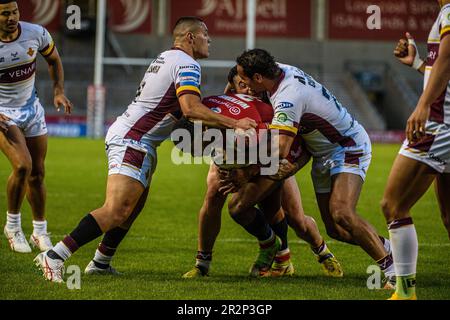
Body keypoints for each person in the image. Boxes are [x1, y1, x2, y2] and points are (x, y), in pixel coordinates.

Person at [34, 17, 256, 283]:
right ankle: (55, 256)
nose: (210, 41)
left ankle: (101, 262)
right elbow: (190, 109)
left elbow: (178, 110)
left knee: (134, 206)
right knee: (116, 209)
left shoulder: (165, 58)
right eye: (206, 35)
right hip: (134, 140)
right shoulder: (187, 63)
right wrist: (235, 123)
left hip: (140, 140)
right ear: (190, 38)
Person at [235, 49, 396, 287]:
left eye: (244, 79)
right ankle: (393, 248)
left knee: (342, 212)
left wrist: (247, 167)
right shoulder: (278, 70)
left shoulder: (288, 97)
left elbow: (280, 148)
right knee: (334, 229)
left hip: (347, 145)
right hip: (322, 153)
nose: (243, 85)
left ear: (258, 77)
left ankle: (394, 270)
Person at [183, 67, 343, 278]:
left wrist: (258, 170)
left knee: (293, 217)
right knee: (214, 194)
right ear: (232, 87)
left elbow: (297, 145)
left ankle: (321, 252)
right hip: (237, 158)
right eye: (242, 85)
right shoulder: (228, 103)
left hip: (274, 159)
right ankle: (203, 263)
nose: (249, 90)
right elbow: (211, 127)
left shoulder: (276, 100)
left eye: (250, 84)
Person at [381, 0, 450, 300]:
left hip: (438, 124)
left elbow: (448, 62)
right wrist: (418, 64)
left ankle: (405, 294)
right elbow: (441, 67)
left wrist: (422, 105)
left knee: (393, 205)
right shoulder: (443, 13)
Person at [0, 0, 72, 253]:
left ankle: (39, 231)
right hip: (3, 115)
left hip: (32, 110)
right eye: (5, 13)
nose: (12, 17)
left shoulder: (36, 33)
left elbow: (53, 60)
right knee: (22, 165)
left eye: (15, 11)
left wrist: (58, 92)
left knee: (38, 173)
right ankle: (12, 226)